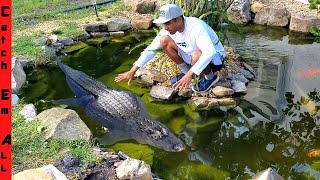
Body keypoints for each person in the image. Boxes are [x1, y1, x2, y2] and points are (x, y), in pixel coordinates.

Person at [115, 4, 225, 92]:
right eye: (163, 24)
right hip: (190, 53)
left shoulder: (196, 27)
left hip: (215, 58)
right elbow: (151, 49)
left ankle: (210, 78)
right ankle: (186, 73)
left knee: (197, 55)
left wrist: (190, 75)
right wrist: (133, 70)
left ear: (178, 19)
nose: (165, 27)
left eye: (168, 23)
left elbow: (209, 52)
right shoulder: (168, 30)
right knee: (164, 41)